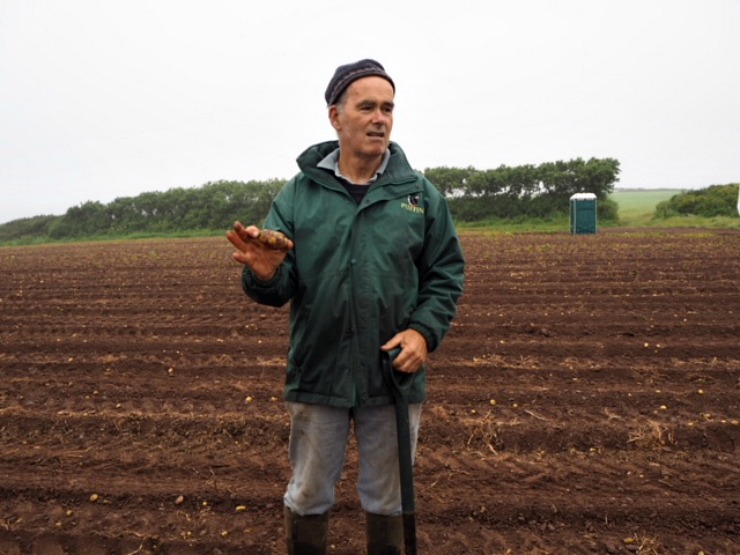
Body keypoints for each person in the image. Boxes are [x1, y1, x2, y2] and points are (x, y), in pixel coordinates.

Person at [227, 59, 465, 555]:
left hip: (392, 373)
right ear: (336, 117)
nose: (380, 119)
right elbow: (278, 284)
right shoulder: (300, 194)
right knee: (309, 493)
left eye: (388, 108)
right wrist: (265, 273)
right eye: (367, 107)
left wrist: (423, 332)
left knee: (389, 498)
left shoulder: (418, 194)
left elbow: (445, 272)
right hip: (319, 370)